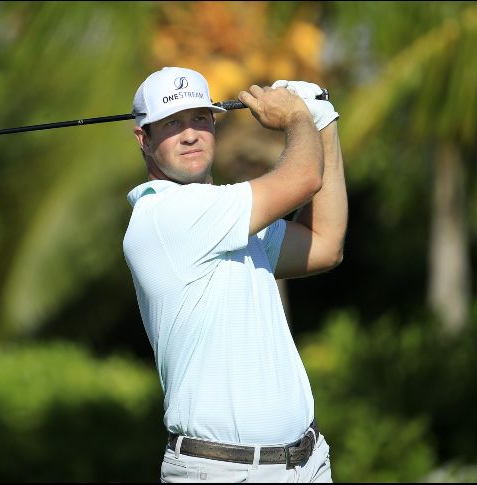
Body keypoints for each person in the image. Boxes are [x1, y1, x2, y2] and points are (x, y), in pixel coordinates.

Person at [122, 66, 347, 483]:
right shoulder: (165, 215)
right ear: (144, 139)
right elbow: (304, 177)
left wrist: (323, 122)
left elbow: (325, 244)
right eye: (172, 124)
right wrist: (298, 118)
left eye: (199, 118)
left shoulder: (228, 217)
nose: (190, 134)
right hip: (224, 472)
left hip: (307, 463)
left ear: (214, 125)